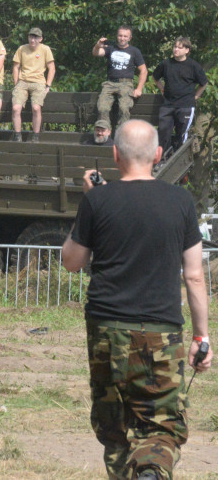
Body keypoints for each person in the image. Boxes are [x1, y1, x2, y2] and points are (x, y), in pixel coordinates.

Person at [61, 120, 211, 480]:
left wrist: (89, 200)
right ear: (159, 155)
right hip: (161, 332)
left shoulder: (97, 199)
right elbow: (193, 275)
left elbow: (72, 262)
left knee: (115, 428)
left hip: (106, 330)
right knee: (160, 426)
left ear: (115, 155)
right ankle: (151, 472)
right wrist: (201, 336)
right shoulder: (181, 201)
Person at [152, 36, 207, 155]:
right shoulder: (166, 64)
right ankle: (162, 159)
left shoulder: (194, 66)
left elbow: (204, 83)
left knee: (181, 134)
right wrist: (162, 89)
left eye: (180, 48)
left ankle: (178, 159)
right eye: (175, 47)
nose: (176, 50)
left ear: (187, 50)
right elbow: (155, 77)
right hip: (168, 105)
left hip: (185, 105)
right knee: (163, 131)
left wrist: (196, 96)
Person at [93, 25, 147, 131]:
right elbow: (96, 53)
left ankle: (123, 134)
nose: (122, 38)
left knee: (124, 107)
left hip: (126, 84)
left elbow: (144, 70)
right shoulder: (111, 48)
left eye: (125, 36)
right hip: (110, 83)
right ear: (117, 36)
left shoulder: (134, 51)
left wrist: (139, 88)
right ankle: (104, 133)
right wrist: (97, 45)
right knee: (102, 107)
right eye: (120, 36)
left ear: (130, 38)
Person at [10, 27, 55, 142]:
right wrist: (16, 83)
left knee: (36, 108)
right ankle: (17, 135)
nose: (32, 40)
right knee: (16, 108)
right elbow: (16, 67)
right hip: (23, 81)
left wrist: (48, 85)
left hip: (38, 82)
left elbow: (52, 68)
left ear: (40, 39)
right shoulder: (22, 49)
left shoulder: (45, 49)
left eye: (35, 37)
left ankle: (35, 135)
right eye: (31, 36)